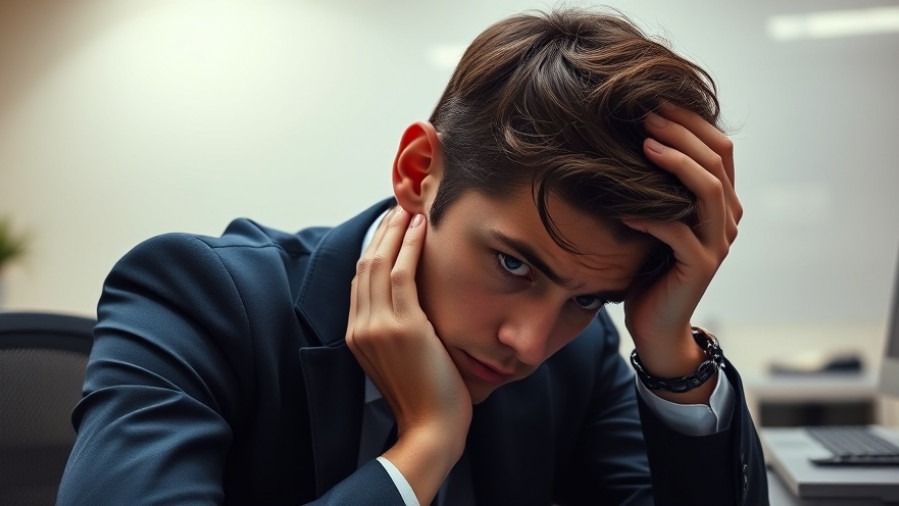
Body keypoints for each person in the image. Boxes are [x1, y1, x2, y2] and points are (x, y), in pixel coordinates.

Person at [58, 8, 768, 505]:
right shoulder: (198, 298)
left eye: (586, 298)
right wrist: (423, 448)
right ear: (417, 170)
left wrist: (671, 349)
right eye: (512, 264)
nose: (527, 344)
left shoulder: (578, 354)